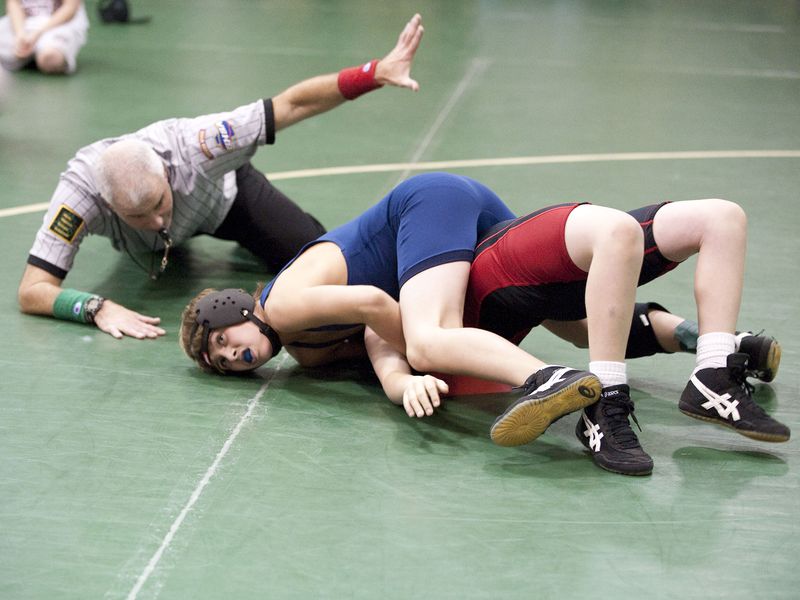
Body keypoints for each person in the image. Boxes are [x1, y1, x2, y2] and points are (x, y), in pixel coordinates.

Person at [17, 13, 425, 340]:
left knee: (314, 256)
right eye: (139, 216)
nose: (159, 221)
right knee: (161, 240)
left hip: (226, 201)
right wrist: (95, 307)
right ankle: (160, 240)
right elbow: (33, 289)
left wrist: (373, 73)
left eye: (160, 203)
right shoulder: (78, 194)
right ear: (107, 205)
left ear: (166, 169)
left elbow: (291, 105)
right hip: (150, 244)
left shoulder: (197, 145)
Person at [367, 198, 789, 476]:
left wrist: (399, 378)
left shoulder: (403, 309)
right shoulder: (411, 333)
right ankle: (720, 352)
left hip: (508, 265)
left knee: (714, 218)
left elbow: (374, 322)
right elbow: (587, 329)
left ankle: (654, 388)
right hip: (544, 295)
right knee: (719, 218)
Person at [180, 172, 605, 444]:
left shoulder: (282, 306)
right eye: (222, 362)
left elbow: (373, 304)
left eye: (223, 341)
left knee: (429, 344)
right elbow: (377, 341)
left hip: (427, 208)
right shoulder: (305, 353)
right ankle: (670, 332)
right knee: (574, 320)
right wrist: (404, 381)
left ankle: (547, 379)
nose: (232, 356)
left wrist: (430, 356)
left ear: (237, 310)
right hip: (440, 224)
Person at [0, 0, 88, 74]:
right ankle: (32, 54)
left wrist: (36, 34)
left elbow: (70, 8)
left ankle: (41, 53)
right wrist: (20, 34)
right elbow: (14, 3)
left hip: (60, 24)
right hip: (26, 23)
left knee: (51, 59)